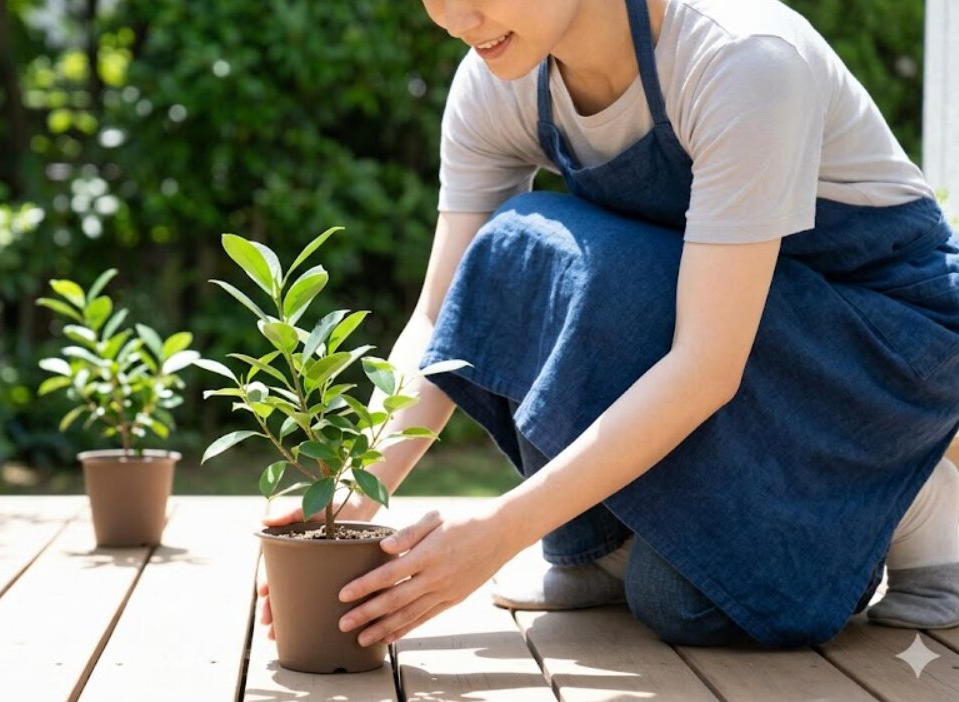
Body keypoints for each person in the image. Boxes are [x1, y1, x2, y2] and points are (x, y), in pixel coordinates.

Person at [259, 0, 959, 649]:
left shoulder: (741, 58)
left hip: (879, 351)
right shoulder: (501, 77)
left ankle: (907, 496)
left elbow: (706, 365)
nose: (454, 17)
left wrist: (499, 533)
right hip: (729, 338)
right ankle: (597, 546)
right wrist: (351, 493)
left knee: (694, 603)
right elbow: (441, 314)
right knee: (522, 250)